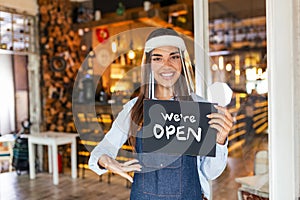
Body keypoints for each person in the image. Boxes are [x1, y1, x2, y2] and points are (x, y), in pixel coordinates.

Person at [89, 28, 233, 200]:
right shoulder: (135, 108)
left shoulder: (199, 107)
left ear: (182, 62)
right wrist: (105, 160)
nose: (167, 65)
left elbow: (209, 172)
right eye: (158, 58)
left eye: (174, 56)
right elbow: (101, 150)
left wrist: (220, 141)